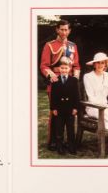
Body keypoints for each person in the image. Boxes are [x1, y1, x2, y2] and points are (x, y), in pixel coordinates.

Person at [40, 19, 81, 151]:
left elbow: (76, 65)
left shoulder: (72, 46)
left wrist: (74, 80)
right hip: (56, 83)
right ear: (57, 30)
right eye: (61, 29)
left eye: (66, 29)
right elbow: (44, 65)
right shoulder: (50, 45)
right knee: (55, 112)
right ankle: (54, 141)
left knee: (69, 112)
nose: (64, 32)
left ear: (69, 31)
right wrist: (53, 76)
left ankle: (69, 141)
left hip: (69, 83)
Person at [50, 57, 79, 155]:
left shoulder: (74, 80)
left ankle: (71, 146)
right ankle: (60, 146)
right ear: (59, 69)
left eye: (66, 68)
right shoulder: (55, 80)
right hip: (59, 109)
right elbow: (53, 96)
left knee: (70, 129)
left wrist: (75, 108)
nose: (64, 70)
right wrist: (53, 108)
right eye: (62, 68)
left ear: (69, 68)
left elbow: (76, 95)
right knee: (59, 129)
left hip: (70, 109)